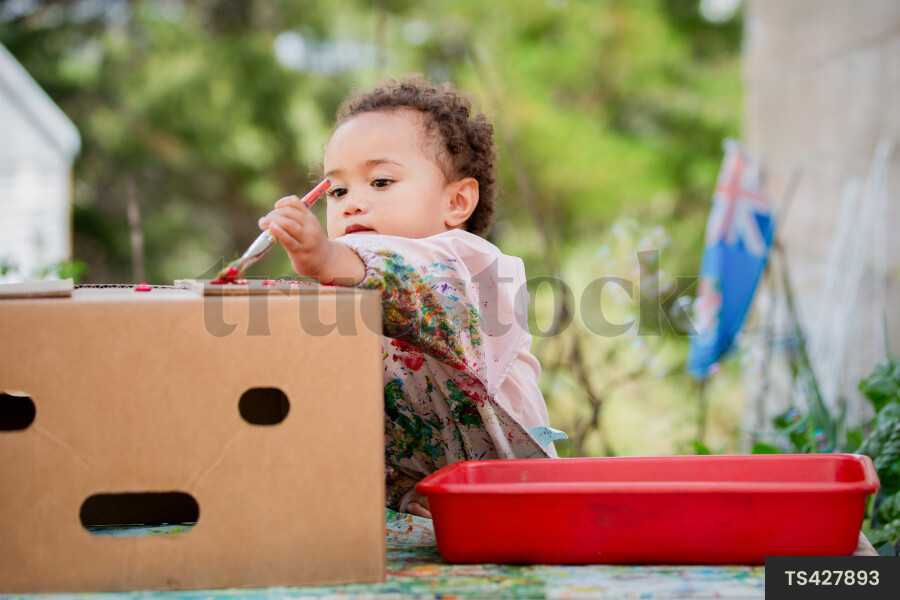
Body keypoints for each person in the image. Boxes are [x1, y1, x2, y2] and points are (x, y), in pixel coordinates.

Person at [258, 76, 556, 518]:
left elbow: (412, 278)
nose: (351, 203)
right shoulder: (346, 281)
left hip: (512, 503)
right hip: (407, 508)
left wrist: (327, 257)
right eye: (337, 190)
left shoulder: (472, 267)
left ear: (456, 201)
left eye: (380, 181)